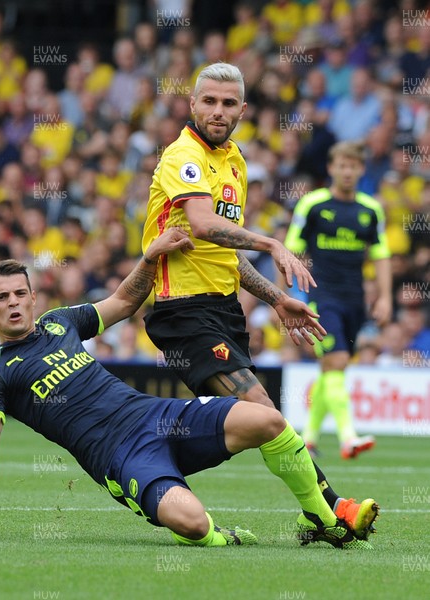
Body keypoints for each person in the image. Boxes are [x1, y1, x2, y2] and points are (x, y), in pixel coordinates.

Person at [0, 229, 374, 549]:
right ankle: (222, 539)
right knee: (190, 522)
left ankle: (322, 515)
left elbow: (123, 302)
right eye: (2, 298)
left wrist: (150, 257)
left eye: (20, 293)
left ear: (33, 297)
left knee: (268, 418)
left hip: (160, 417)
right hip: (120, 457)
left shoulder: (61, 322)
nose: (14, 303)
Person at [141, 62, 377, 531]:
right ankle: (330, 513)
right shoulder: (182, 156)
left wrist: (274, 298)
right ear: (192, 104)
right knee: (262, 410)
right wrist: (271, 243)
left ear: (243, 110)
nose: (218, 110)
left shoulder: (235, 161)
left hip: (224, 309)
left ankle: (151, 460)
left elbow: (224, 251)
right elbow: (206, 225)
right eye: (208, 100)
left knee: (250, 422)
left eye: (228, 103)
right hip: (182, 310)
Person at [285, 141, 392, 458]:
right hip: (321, 298)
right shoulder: (312, 205)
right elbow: (291, 251)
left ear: (361, 170)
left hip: (355, 302)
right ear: (331, 168)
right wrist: (286, 297)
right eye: (341, 165)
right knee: (337, 362)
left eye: (353, 166)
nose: (347, 171)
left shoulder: (370, 209)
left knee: (332, 369)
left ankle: (309, 438)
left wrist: (385, 297)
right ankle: (348, 437)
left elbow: (381, 256)